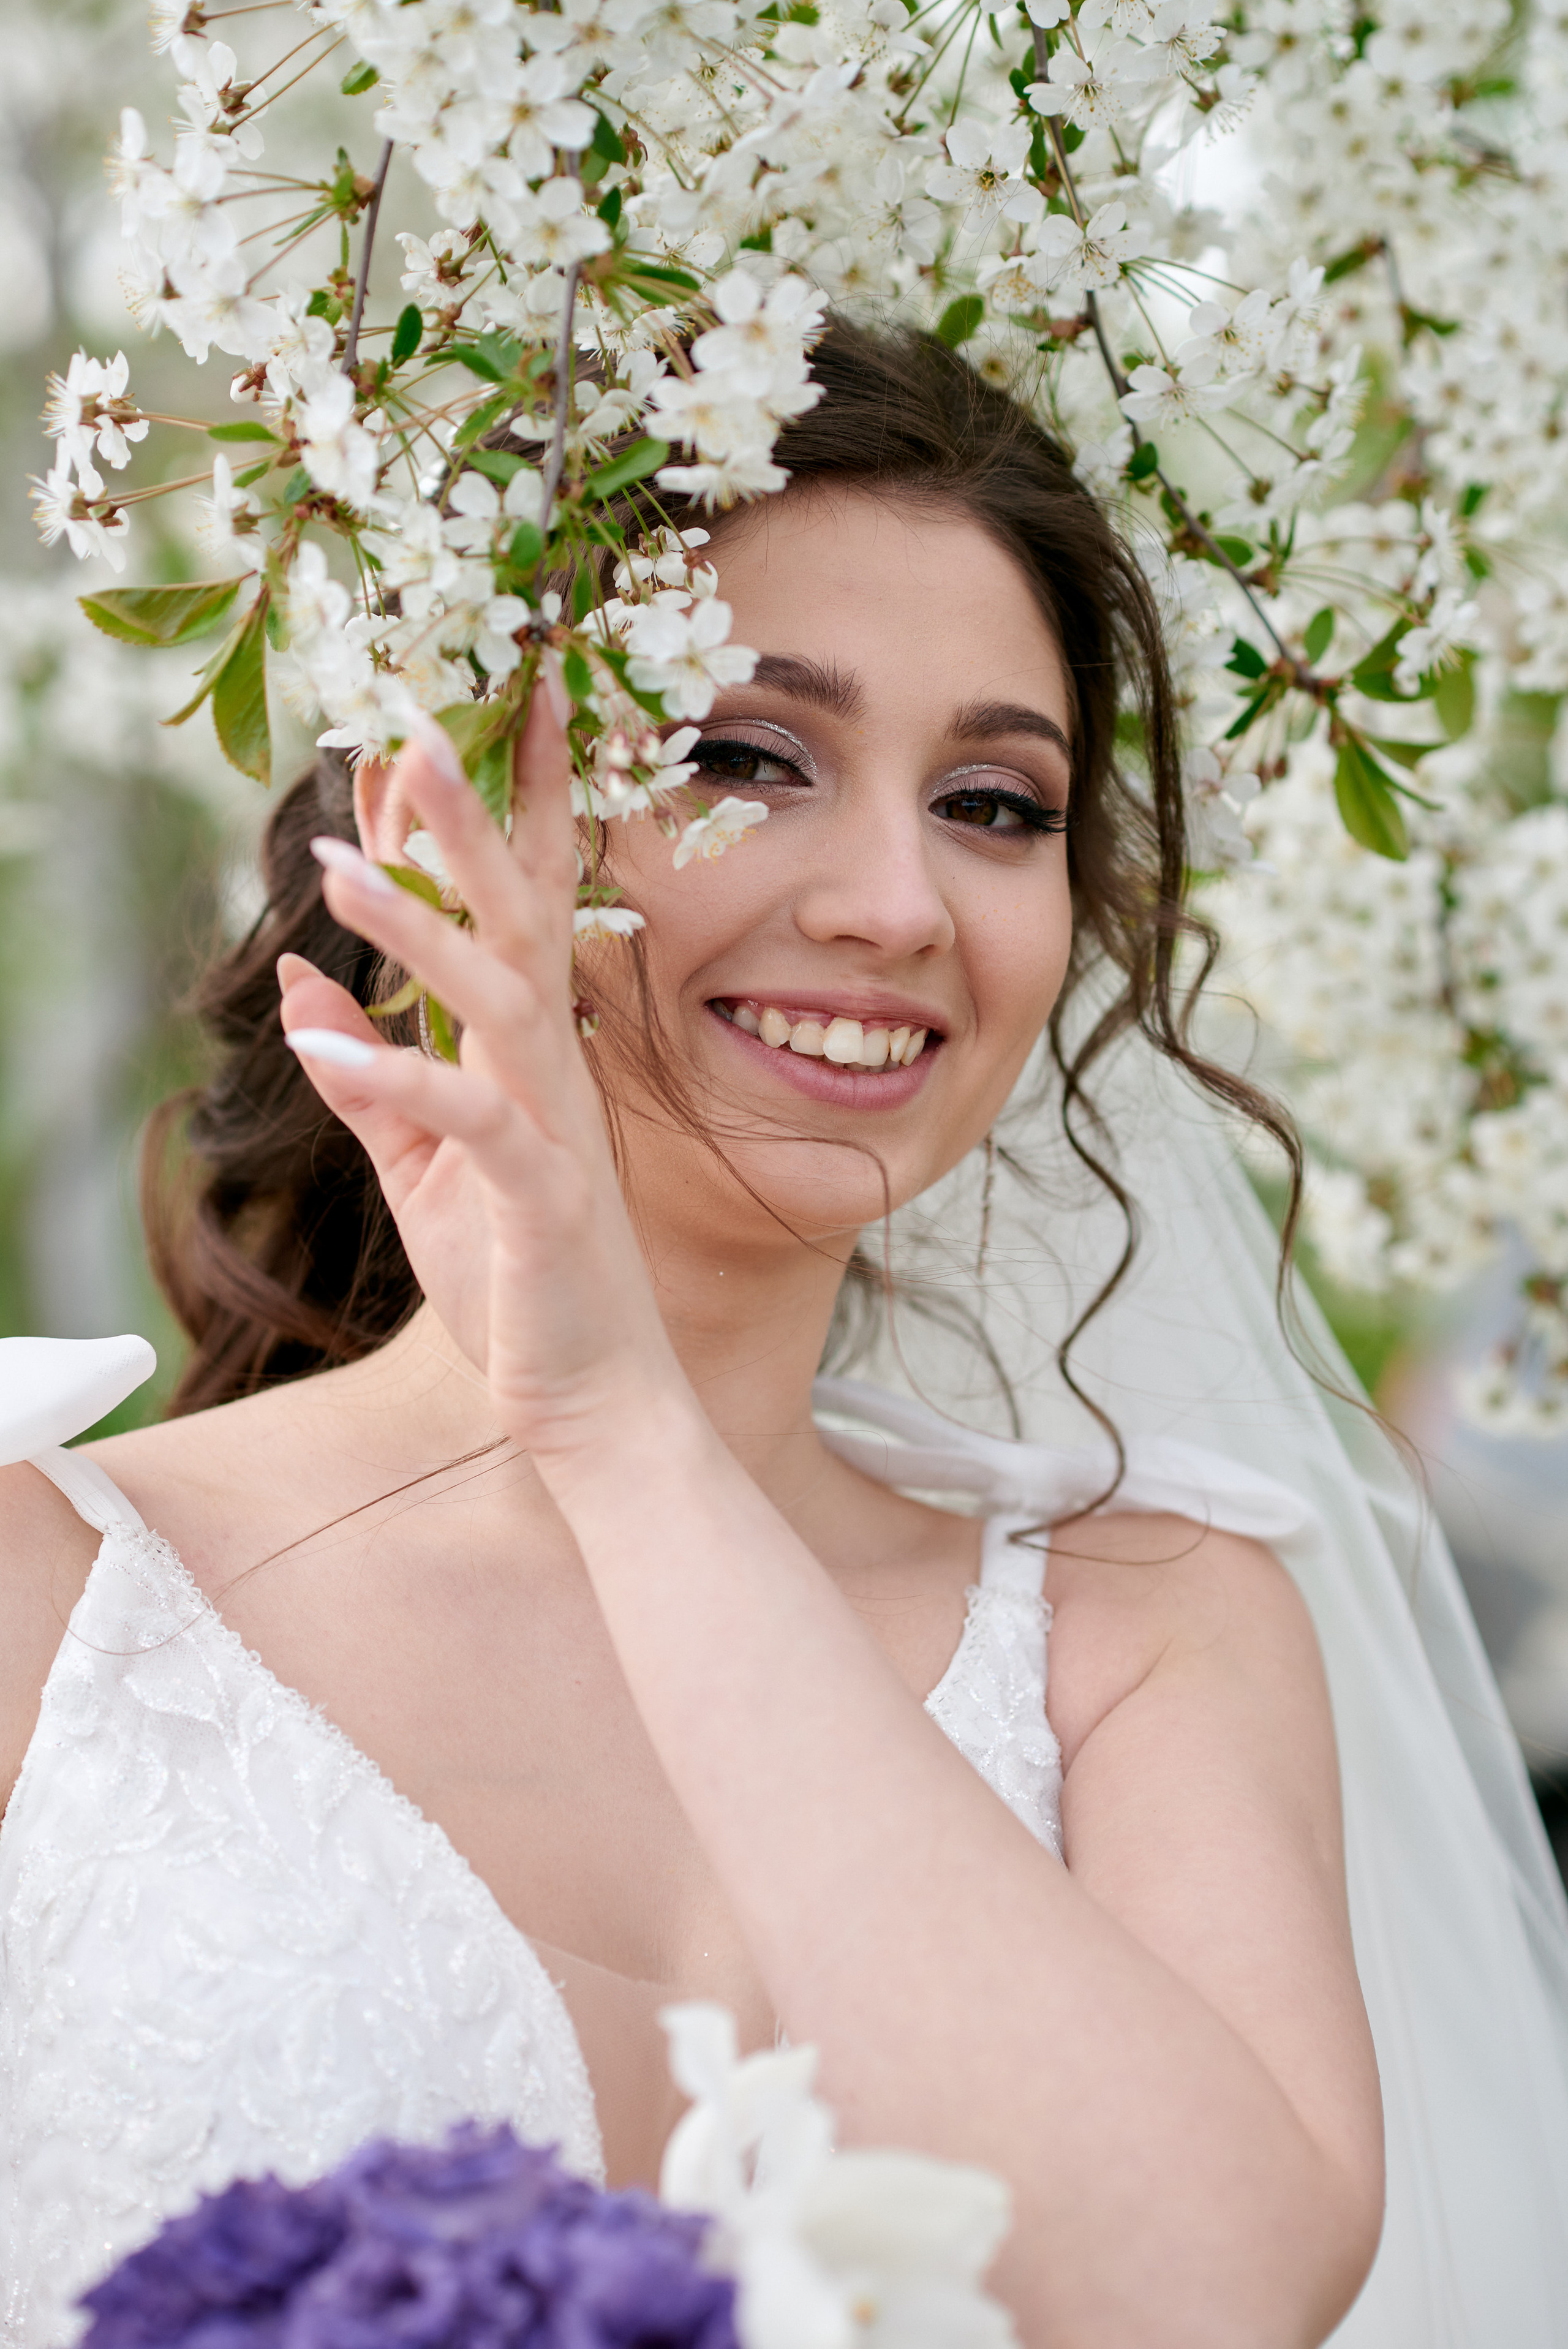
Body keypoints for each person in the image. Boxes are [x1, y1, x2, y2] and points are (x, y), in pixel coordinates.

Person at [0, 325, 1559, 2348]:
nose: (900, 898)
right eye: (748, 757)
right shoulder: (48, 1595)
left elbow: (1203, 2298)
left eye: (998, 803)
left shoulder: (1151, 1627)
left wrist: (627, 1437)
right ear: (446, 813)